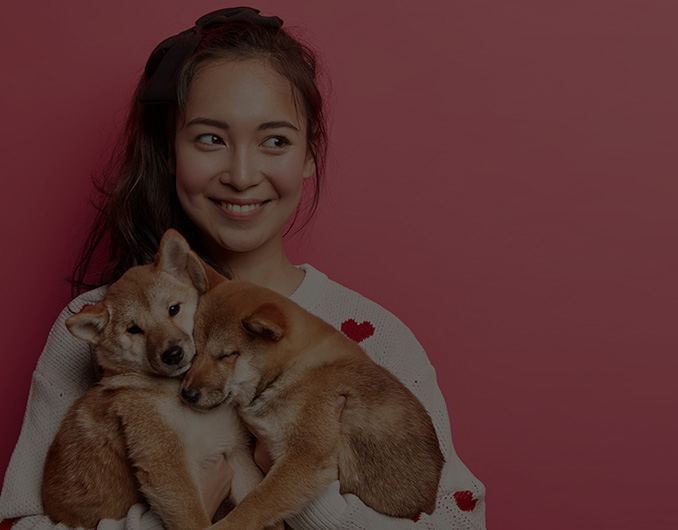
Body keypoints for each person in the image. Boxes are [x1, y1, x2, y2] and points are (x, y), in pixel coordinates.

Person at [0, 7, 486, 530]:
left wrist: (307, 496)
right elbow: (22, 519)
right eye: (210, 138)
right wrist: (168, 520)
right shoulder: (102, 330)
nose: (242, 173)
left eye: (274, 140)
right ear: (169, 151)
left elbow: (459, 518)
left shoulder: (370, 335)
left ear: (309, 155)